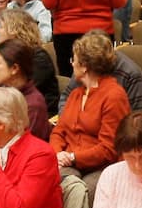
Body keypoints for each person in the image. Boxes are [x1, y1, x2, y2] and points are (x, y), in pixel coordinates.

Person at [51, 31, 131, 181]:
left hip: (103, 167)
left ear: (85, 66)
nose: (72, 63)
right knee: (49, 179)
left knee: (78, 188)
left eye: (74, 59)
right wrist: (58, 154)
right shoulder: (76, 94)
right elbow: (59, 132)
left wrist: (73, 157)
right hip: (70, 162)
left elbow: (109, 149)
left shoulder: (114, 95)